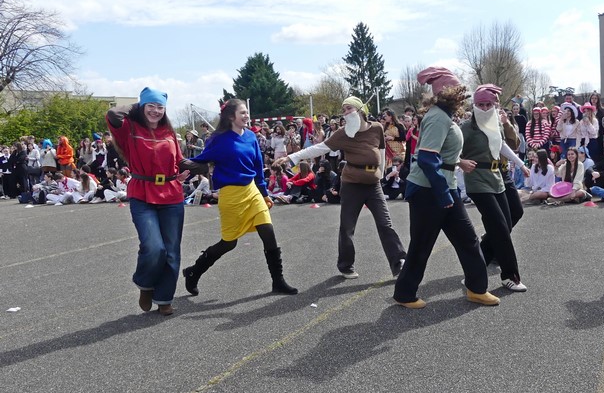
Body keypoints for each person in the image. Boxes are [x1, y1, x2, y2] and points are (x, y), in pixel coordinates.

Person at [393, 67, 500, 309]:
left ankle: (477, 289)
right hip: (429, 191)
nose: (462, 97)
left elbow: (440, 153)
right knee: (422, 244)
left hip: (444, 187)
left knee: (468, 240)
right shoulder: (438, 117)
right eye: (459, 92)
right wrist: (443, 194)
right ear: (448, 93)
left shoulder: (443, 116)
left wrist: (457, 164)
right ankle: (404, 293)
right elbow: (427, 158)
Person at [276, 96, 406, 278]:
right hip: (352, 184)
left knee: (385, 224)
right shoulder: (342, 133)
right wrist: (292, 157)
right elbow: (319, 148)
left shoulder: (376, 128)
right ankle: (346, 266)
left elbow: (382, 150)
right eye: (343, 110)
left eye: (348, 108)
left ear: (360, 110)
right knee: (347, 227)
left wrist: (381, 173)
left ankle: (399, 262)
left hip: (373, 185)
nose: (345, 113)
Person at [181, 99, 297, 297]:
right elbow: (198, 161)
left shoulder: (251, 136)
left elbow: (257, 167)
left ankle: (278, 282)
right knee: (229, 242)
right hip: (231, 195)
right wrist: (175, 165)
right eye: (242, 113)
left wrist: (264, 194)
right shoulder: (218, 139)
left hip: (252, 191)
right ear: (230, 116)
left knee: (268, 232)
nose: (246, 116)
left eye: (246, 112)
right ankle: (194, 271)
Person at [107, 87, 192, 315]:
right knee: (154, 247)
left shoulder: (169, 132)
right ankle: (145, 284)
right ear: (142, 107)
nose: (156, 111)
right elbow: (113, 114)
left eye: (160, 107)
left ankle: (164, 299)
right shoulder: (130, 128)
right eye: (151, 106)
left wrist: (202, 163)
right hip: (142, 193)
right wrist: (139, 105)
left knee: (171, 251)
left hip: (171, 194)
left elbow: (180, 160)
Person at [459, 84, 530, 292]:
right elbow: (449, 149)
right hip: (477, 180)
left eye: (488, 104)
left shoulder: (496, 123)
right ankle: (510, 276)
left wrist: (521, 164)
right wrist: (459, 162)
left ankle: (475, 269)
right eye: (480, 104)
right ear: (474, 105)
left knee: (506, 222)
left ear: (494, 105)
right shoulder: (466, 127)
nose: (484, 108)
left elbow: (501, 145)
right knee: (499, 226)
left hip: (497, 177)